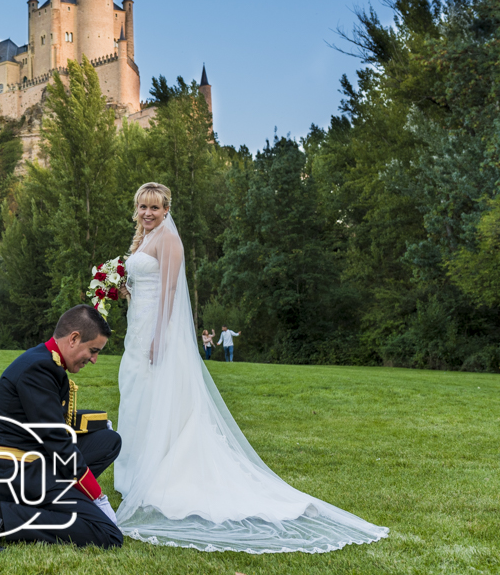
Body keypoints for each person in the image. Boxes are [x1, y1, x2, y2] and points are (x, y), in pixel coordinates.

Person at [113, 182, 387, 552]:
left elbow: (172, 292)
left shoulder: (169, 241)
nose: (148, 213)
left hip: (157, 330)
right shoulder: (143, 241)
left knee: (159, 397)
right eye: (143, 207)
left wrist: (159, 336)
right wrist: (119, 289)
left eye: (155, 208)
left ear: (166, 210)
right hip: (138, 326)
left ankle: (163, 475)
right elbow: (142, 283)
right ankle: (134, 477)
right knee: (137, 395)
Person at [0, 305, 123, 550]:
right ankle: (3, 516)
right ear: (74, 338)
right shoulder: (40, 368)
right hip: (19, 472)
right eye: (93, 350)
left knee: (109, 440)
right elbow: (57, 440)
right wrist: (98, 497)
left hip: (30, 461)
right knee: (108, 534)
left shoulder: (45, 360)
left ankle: (49, 503)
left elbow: (48, 419)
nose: (95, 360)